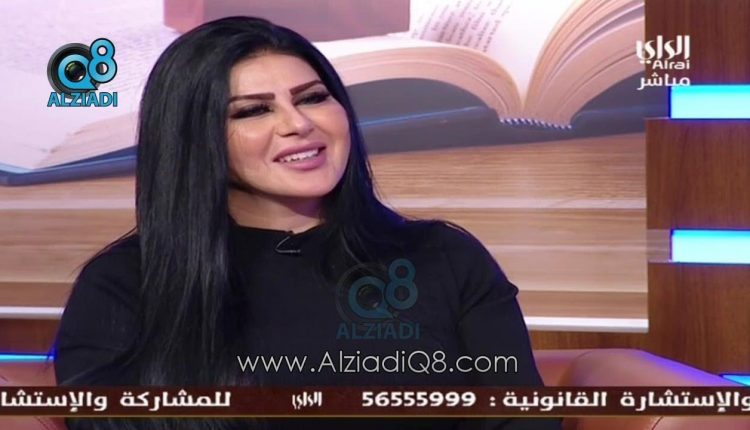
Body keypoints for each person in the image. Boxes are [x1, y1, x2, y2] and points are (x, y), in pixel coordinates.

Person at [53, 16, 560, 430]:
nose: (298, 124)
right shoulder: (126, 284)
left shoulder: (443, 257)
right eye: (253, 111)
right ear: (194, 142)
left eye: (313, 97)